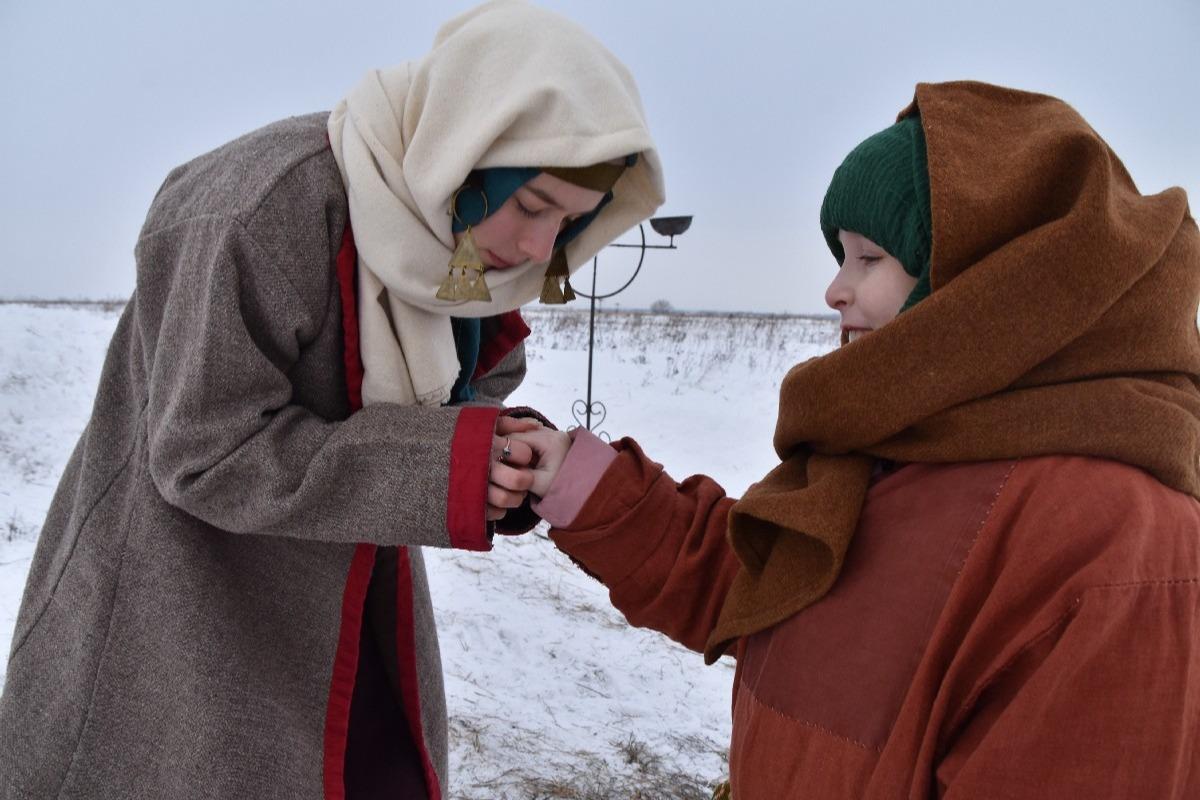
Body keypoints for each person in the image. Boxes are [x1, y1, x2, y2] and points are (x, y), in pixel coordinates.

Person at [0, 1, 664, 798]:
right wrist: (442, 466)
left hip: (352, 605)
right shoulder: (255, 205)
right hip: (181, 613)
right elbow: (205, 452)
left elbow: (468, 393)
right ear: (466, 142)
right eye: (531, 204)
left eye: (571, 222)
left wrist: (497, 460)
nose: (538, 249)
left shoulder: (463, 241)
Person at [512, 81, 1200, 797]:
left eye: (868, 258)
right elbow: (765, 587)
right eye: (841, 256)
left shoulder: (1117, 544)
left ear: (985, 280)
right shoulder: (893, 449)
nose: (835, 290)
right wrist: (582, 481)